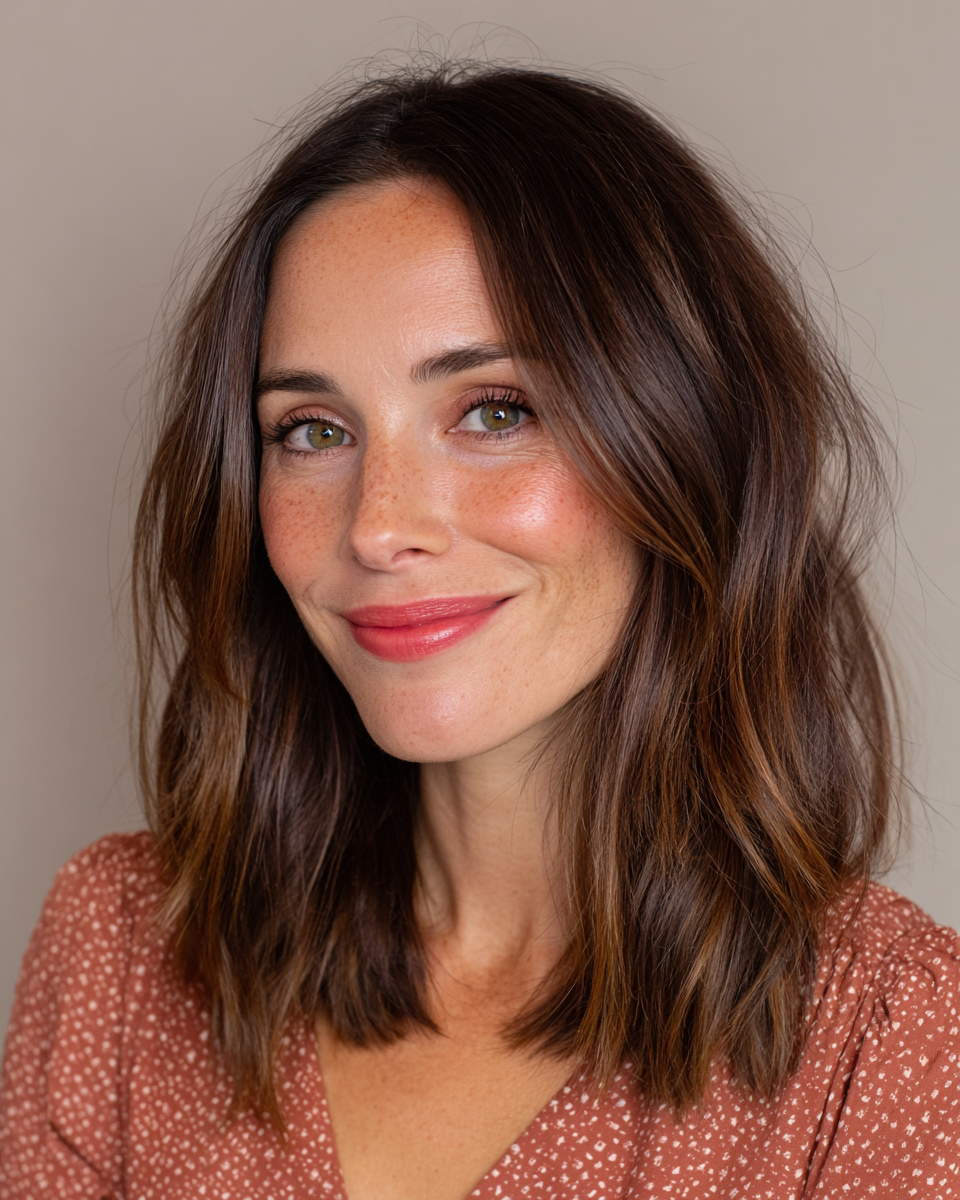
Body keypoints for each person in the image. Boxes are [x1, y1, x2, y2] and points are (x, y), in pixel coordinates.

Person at [1, 61, 958, 1200]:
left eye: (495, 411)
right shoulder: (124, 951)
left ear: (686, 444)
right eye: (312, 430)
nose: (379, 526)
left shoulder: (892, 1042)